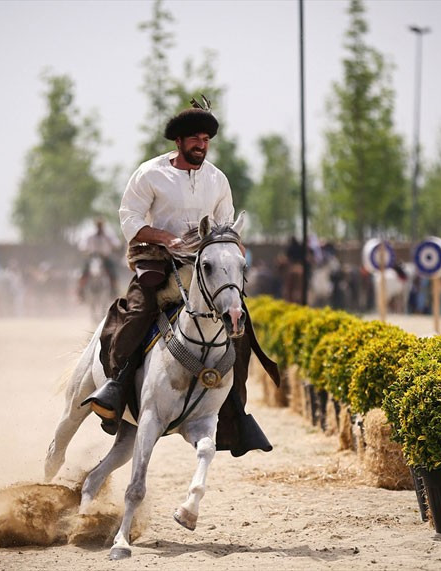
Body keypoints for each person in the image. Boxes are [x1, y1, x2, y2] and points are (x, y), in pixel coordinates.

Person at [81, 99, 279, 455]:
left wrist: (232, 255)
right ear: (179, 142)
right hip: (157, 264)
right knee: (138, 313)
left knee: (238, 325)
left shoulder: (217, 179)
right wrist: (165, 238)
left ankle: (235, 411)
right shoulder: (150, 173)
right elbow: (129, 219)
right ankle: (117, 387)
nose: (201, 145)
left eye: (206, 139)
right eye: (195, 139)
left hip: (205, 270)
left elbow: (226, 224)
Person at [76, 217, 121, 301]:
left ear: (103, 225)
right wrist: (85, 250)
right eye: (98, 225)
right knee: (84, 272)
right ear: (96, 225)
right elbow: (82, 245)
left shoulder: (108, 235)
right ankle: (81, 291)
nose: (99, 227)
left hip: (105, 258)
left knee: (113, 273)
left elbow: (117, 244)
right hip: (92, 257)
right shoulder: (90, 235)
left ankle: (114, 291)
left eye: (101, 225)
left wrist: (113, 246)